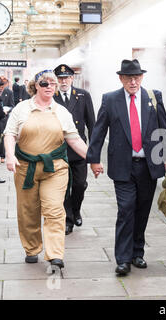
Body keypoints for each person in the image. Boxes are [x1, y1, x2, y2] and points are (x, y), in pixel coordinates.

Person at [87, 59, 166, 276]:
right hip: (123, 166)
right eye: (128, 78)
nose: (133, 81)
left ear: (142, 77)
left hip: (148, 165)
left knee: (142, 210)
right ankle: (123, 259)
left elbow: (164, 128)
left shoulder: (153, 98)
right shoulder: (110, 100)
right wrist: (94, 159)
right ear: (121, 79)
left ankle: (137, 253)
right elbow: (98, 131)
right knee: (126, 210)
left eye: (136, 77)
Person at [3, 70, 88, 270]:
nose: (49, 86)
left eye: (52, 83)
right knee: (28, 211)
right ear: (35, 86)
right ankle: (32, 248)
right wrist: (9, 154)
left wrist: (92, 159)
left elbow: (74, 139)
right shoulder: (22, 109)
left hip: (55, 168)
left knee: (54, 210)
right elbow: (9, 134)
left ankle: (55, 254)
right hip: (25, 167)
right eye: (44, 83)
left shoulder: (61, 112)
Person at [53, 64, 96, 235]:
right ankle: (68, 219)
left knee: (79, 184)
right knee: (63, 187)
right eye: (60, 78)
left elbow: (92, 124)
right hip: (58, 149)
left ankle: (76, 209)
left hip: (79, 149)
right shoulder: (51, 95)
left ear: (72, 78)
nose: (63, 81)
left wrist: (93, 151)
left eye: (66, 77)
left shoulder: (83, 95)